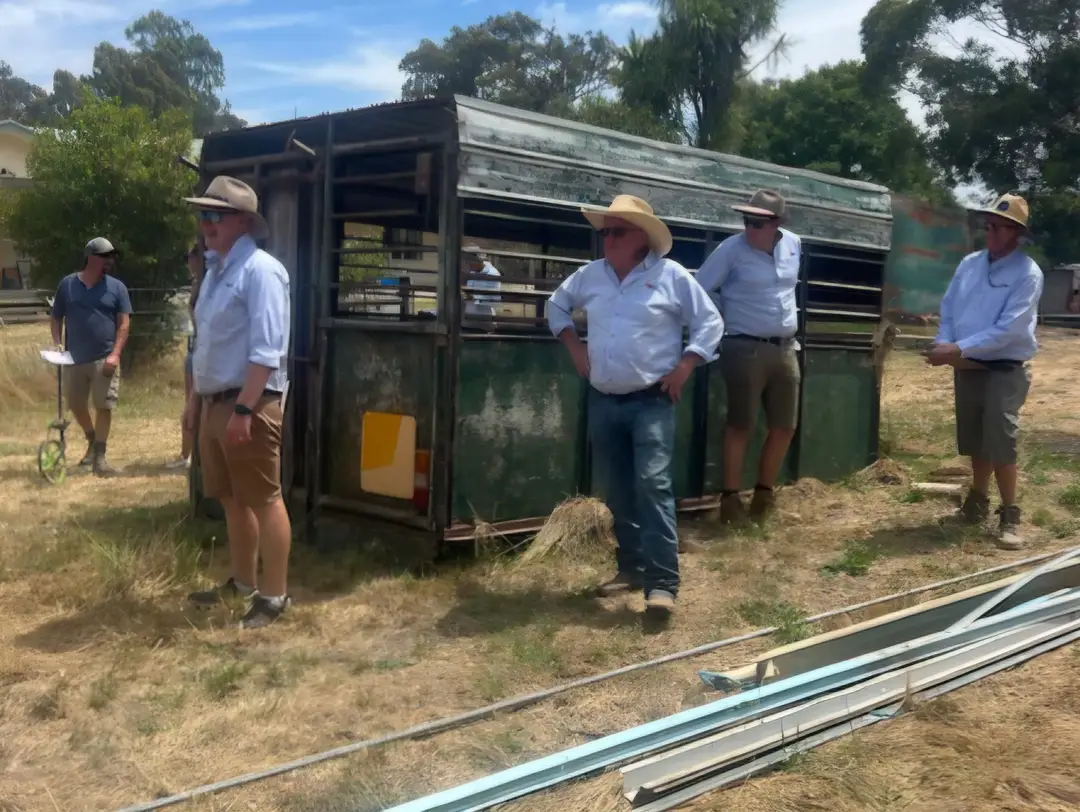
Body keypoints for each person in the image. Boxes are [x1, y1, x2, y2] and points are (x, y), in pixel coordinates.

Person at [547, 195, 724, 618]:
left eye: (617, 231)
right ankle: (631, 568)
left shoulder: (671, 276)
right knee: (619, 489)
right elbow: (555, 305)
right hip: (604, 398)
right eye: (605, 231)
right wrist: (573, 345)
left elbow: (710, 322)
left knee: (652, 484)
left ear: (642, 237)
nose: (607, 239)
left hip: (651, 400)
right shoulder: (591, 275)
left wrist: (686, 365)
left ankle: (662, 584)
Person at [182, 176, 293, 629]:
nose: (206, 224)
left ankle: (274, 596)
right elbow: (205, 345)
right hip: (215, 402)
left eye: (216, 215)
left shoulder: (261, 271)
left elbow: (267, 351)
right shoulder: (215, 272)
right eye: (203, 214)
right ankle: (244, 583)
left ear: (243, 222)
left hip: (249, 403)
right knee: (231, 500)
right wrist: (195, 402)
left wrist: (245, 410)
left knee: (264, 499)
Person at [926, 192, 1043, 550]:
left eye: (999, 227)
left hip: (1004, 366)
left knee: (1001, 437)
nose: (990, 232)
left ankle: (1010, 514)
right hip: (966, 363)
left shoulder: (1027, 273)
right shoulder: (970, 264)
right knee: (975, 435)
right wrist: (944, 343)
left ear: (1017, 234)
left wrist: (957, 348)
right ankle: (977, 500)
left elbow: (1009, 329)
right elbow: (949, 309)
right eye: (989, 225)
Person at [695, 190, 801, 523]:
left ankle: (764, 496)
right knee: (741, 424)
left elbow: (787, 289)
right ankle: (730, 501)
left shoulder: (794, 244)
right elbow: (699, 287)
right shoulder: (731, 249)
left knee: (785, 425)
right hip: (744, 346)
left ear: (776, 224)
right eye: (747, 221)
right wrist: (725, 313)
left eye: (757, 223)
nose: (749, 228)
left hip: (785, 346)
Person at [49, 237, 132, 477]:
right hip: (74, 358)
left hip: (104, 358)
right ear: (92, 258)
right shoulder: (67, 285)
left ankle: (100, 459)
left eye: (112, 256)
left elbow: (124, 324)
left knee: (103, 406)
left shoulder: (117, 288)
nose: (111, 260)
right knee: (75, 405)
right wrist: (57, 343)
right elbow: (56, 317)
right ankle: (92, 439)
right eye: (106, 256)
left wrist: (115, 354)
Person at [166, 244, 211, 470]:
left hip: (203, 349)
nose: (188, 262)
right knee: (190, 403)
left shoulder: (209, 283)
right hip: (193, 348)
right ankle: (187, 455)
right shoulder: (198, 283)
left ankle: (192, 455)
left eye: (191, 257)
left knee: (199, 404)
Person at [463, 246, 502, 319]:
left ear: (478, 261)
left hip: (484, 318)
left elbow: (495, 299)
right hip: (469, 317)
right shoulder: (472, 272)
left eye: (470, 262)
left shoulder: (493, 274)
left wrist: (474, 297)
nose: (468, 265)